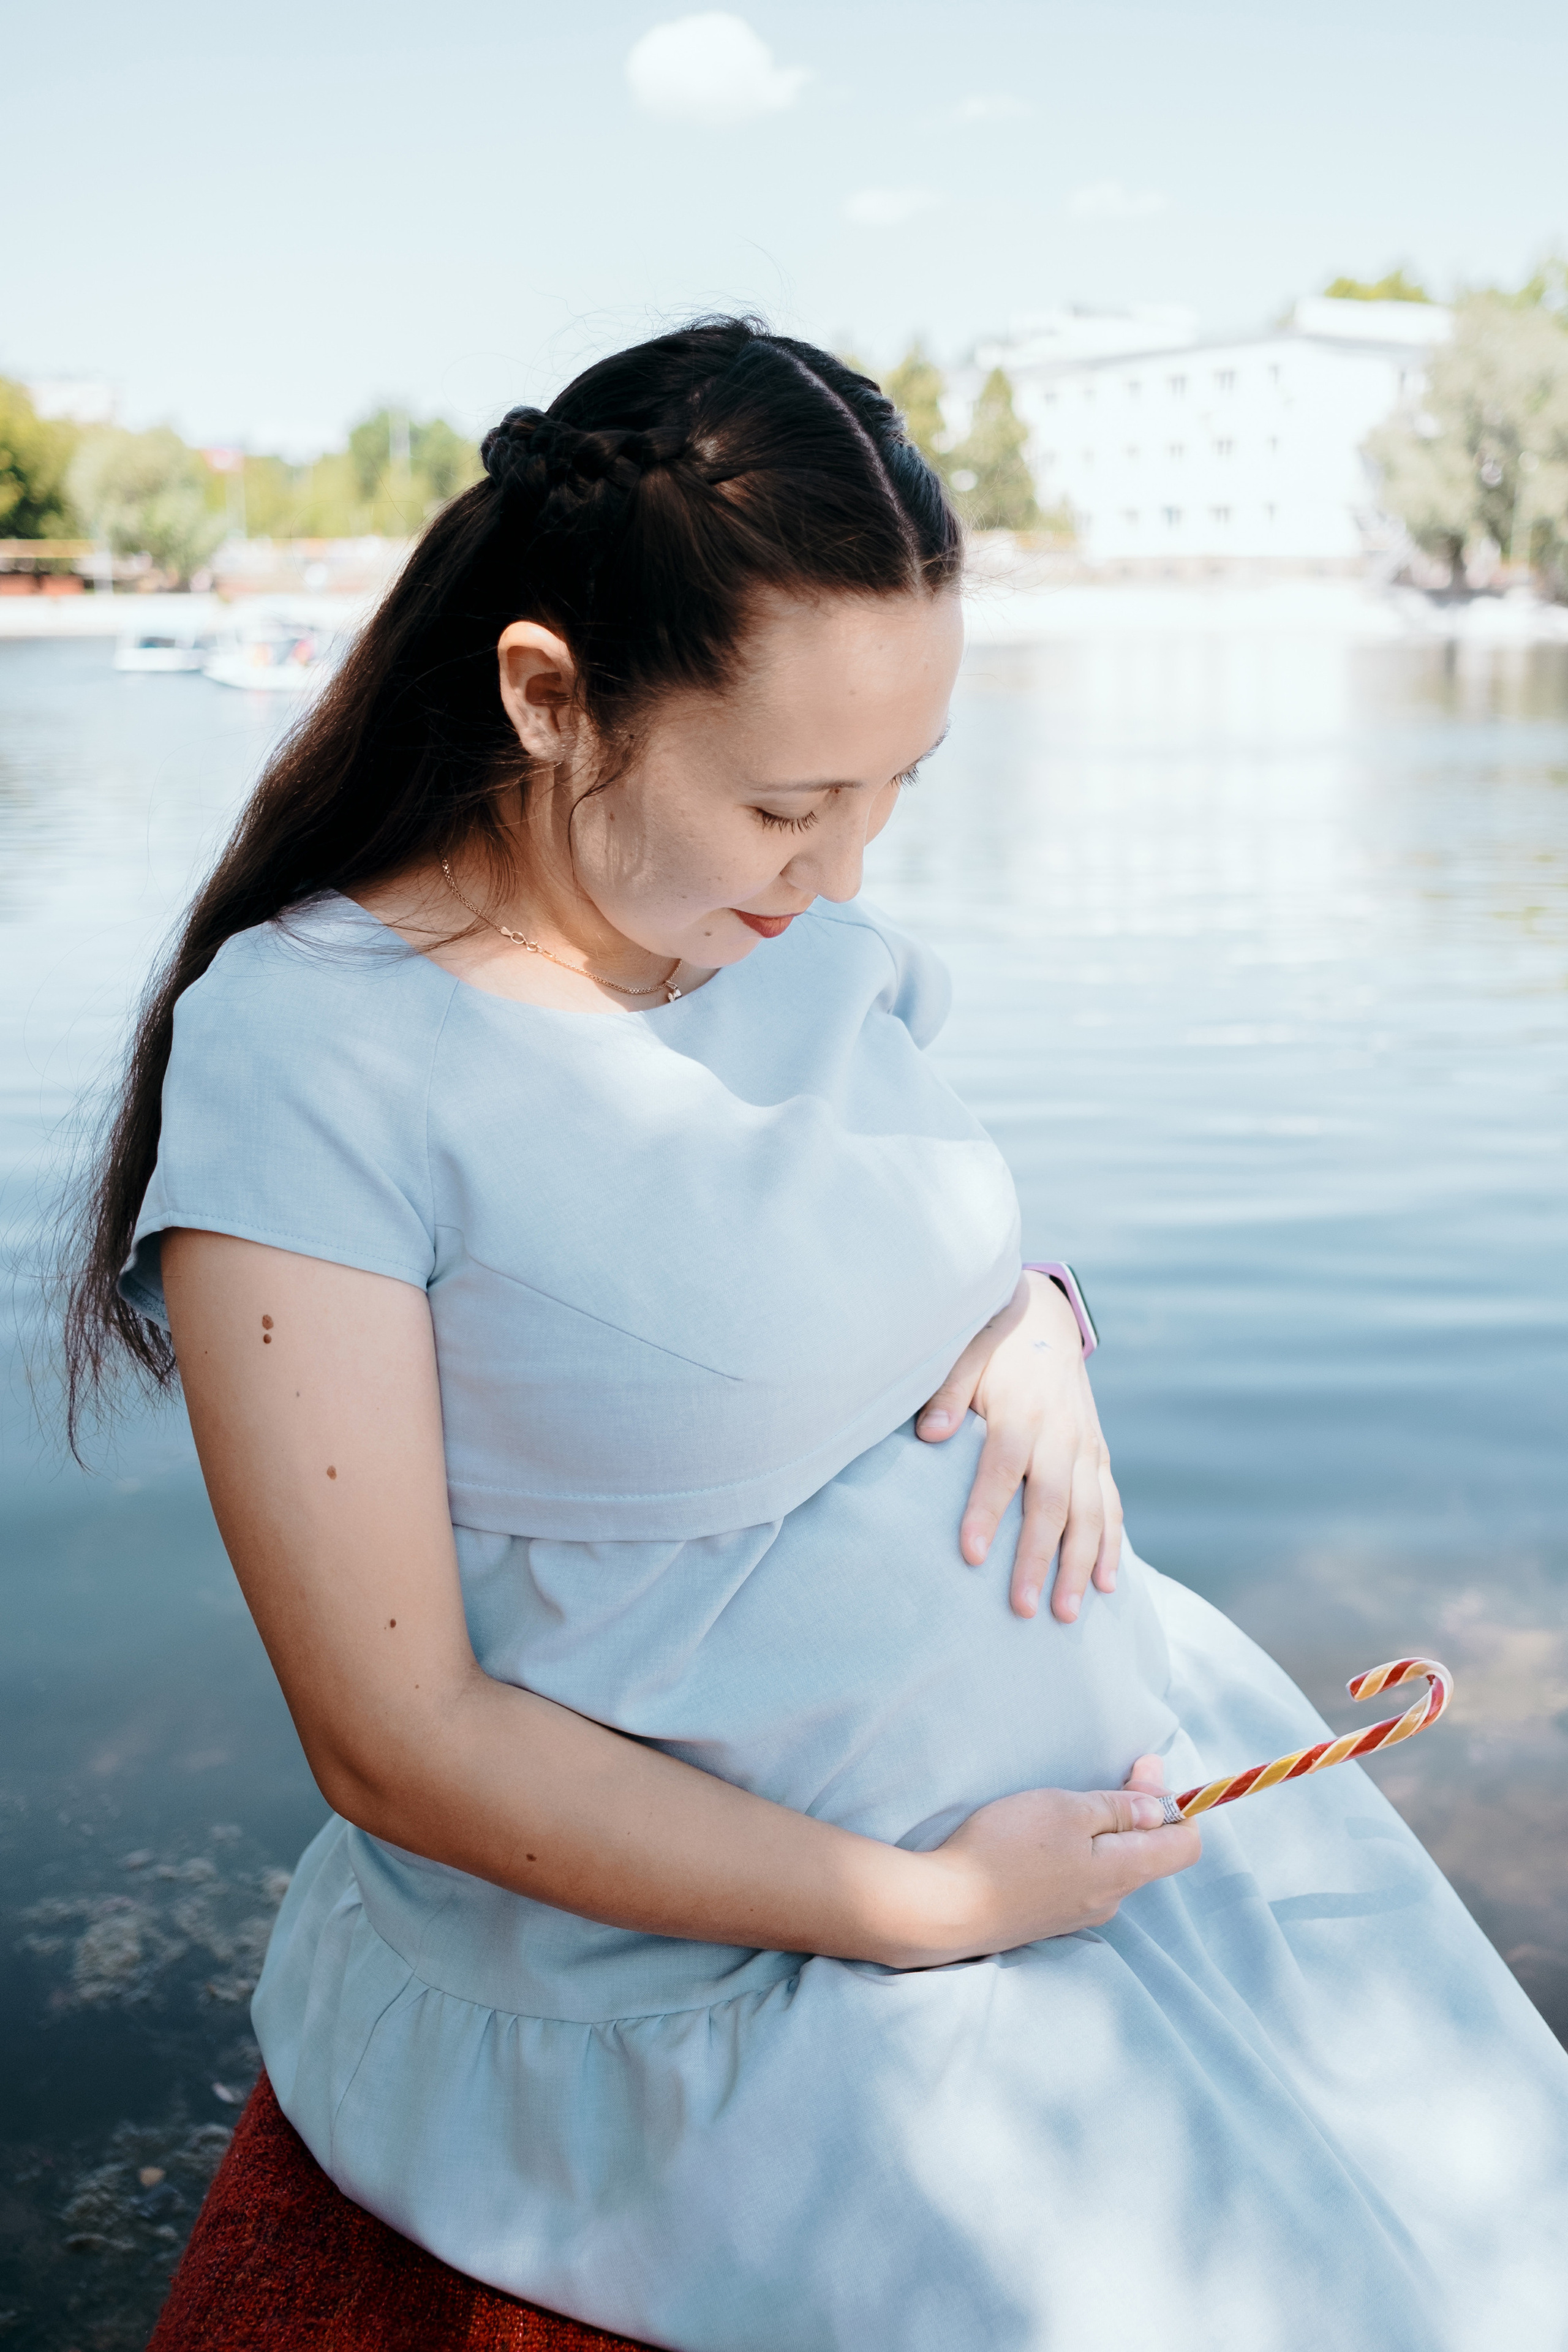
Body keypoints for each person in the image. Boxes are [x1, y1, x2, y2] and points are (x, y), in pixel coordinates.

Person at [67, 320, 1568, 2352]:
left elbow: (851, 1235)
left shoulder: (770, 929)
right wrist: (936, 1908)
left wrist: (1034, 1312)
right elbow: (395, 1738)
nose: (850, 870)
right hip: (757, 1958)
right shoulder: (314, 1056)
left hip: (1118, 1796)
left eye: (898, 788)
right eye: (790, 800)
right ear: (547, 697)